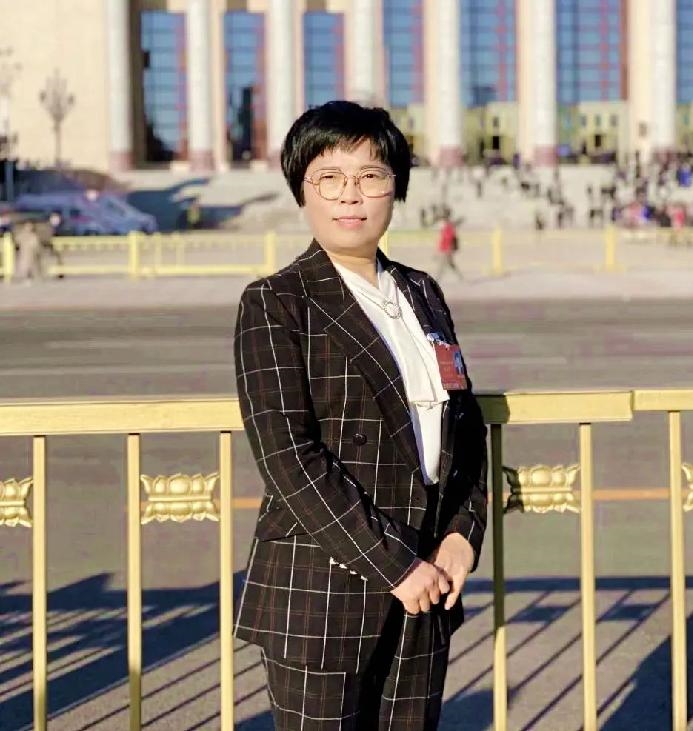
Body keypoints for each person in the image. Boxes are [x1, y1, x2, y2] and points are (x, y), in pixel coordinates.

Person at [233, 100, 487, 731]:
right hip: (322, 592)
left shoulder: (422, 292)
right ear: (302, 190)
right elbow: (289, 459)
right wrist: (396, 566)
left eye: (370, 175)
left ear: (395, 187)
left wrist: (463, 533)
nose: (351, 195)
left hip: (428, 586)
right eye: (330, 178)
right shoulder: (276, 302)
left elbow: (463, 424)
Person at [435, 210, 463, 281]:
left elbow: (450, 238)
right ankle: (460, 277)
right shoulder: (446, 226)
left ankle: (437, 279)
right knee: (450, 264)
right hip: (445, 248)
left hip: (447, 249)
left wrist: (449, 249)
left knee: (442, 264)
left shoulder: (448, 226)